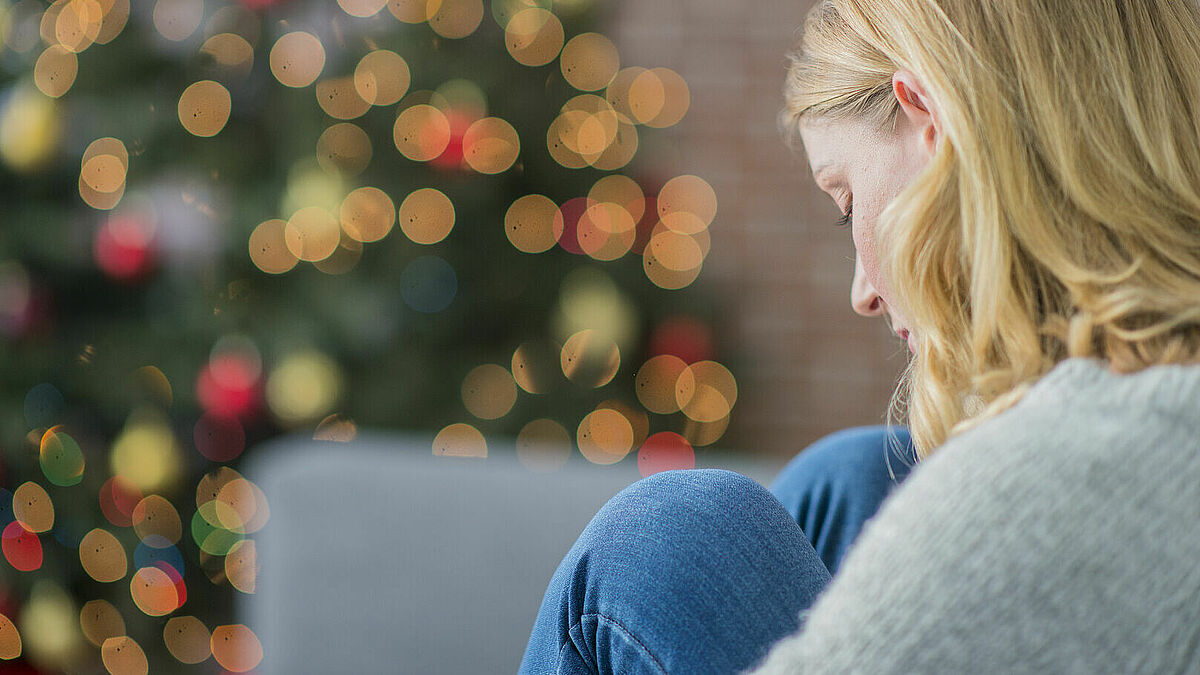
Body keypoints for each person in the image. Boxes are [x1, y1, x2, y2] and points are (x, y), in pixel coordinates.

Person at [520, 0, 1200, 672]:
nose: (862, 294)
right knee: (856, 476)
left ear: (931, 124)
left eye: (847, 208)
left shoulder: (1061, 475)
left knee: (664, 538)